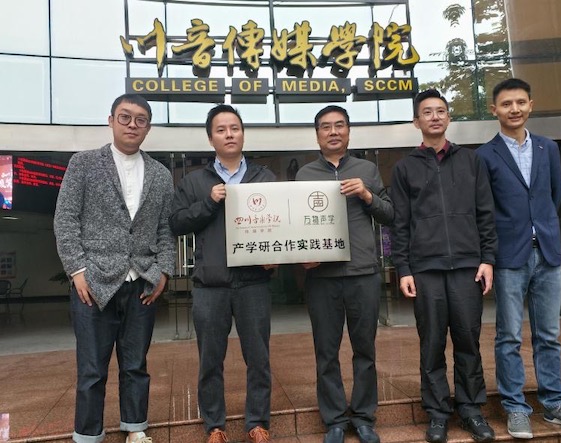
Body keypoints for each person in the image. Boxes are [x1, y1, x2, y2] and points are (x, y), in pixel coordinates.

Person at [477, 78, 561, 439]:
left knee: (549, 334)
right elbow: (484, 208)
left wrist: (540, 228)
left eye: (520, 102)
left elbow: (554, 195)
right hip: (509, 256)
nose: (514, 109)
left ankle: (556, 403)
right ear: (494, 110)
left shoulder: (547, 149)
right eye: (506, 104)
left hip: (547, 252)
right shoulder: (484, 155)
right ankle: (515, 407)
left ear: (531, 105)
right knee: (509, 336)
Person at [54, 93, 175, 443]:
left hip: (142, 283)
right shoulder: (84, 164)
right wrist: (77, 270)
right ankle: (88, 434)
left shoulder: (160, 174)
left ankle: (135, 427)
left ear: (148, 128)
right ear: (111, 121)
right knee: (92, 368)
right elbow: (65, 219)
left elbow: (166, 229)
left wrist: (164, 272)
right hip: (93, 283)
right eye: (125, 117)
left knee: (136, 365)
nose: (132, 125)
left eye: (140, 120)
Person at [390, 89, 497, 443]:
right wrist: (403, 269)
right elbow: (400, 225)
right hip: (425, 270)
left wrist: (487, 259)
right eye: (427, 112)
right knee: (432, 343)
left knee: (468, 340)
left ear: (448, 117)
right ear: (416, 121)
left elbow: (485, 214)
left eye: (440, 111)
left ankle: (471, 409)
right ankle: (437, 413)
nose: (434, 117)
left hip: (467, 267)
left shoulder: (471, 161)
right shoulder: (404, 168)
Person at [169, 104, 276, 443]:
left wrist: (277, 258)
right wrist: (209, 202)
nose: (229, 134)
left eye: (235, 128)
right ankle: (214, 426)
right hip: (210, 285)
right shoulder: (195, 181)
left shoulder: (264, 178)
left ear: (243, 133)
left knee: (258, 358)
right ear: (210, 138)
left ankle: (257, 422)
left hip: (254, 282)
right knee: (210, 360)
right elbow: (176, 223)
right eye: (221, 129)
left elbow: (281, 224)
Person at [295, 105, 394, 443]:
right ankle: (334, 419)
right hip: (322, 278)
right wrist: (302, 256)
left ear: (349, 131)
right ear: (317, 135)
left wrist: (367, 194)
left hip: (363, 272)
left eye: (340, 125)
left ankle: (364, 417)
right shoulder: (305, 174)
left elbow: (389, 214)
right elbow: (295, 226)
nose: (333, 132)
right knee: (326, 351)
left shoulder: (367, 169)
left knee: (364, 349)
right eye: (326, 127)